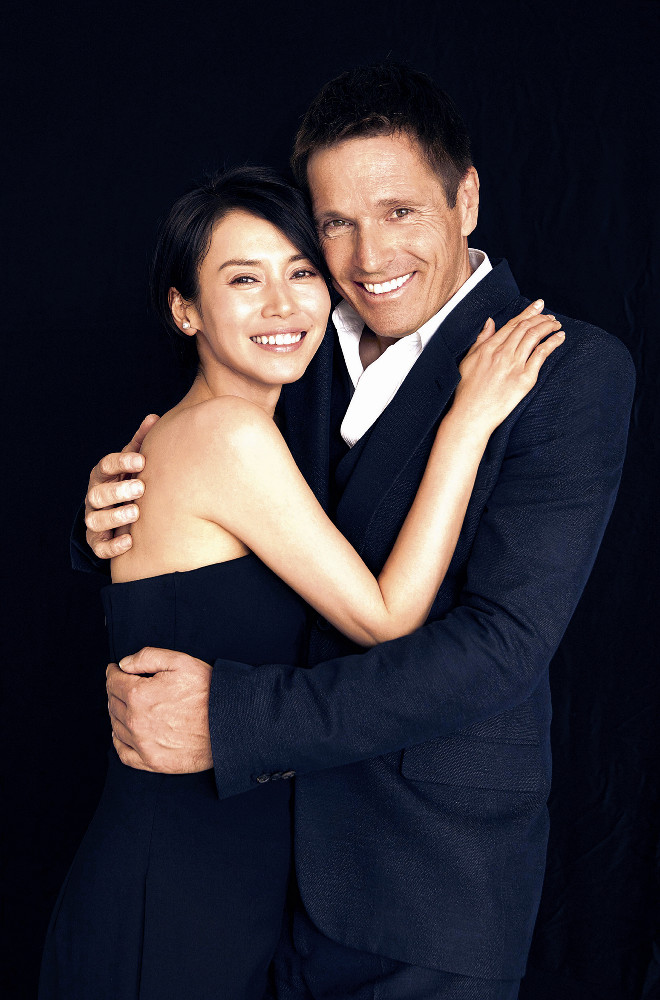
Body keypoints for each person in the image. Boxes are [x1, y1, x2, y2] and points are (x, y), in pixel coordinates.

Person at [76, 65, 635, 1000]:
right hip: (242, 867)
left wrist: (232, 721)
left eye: (399, 212)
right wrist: (110, 512)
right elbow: (219, 511)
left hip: (421, 885)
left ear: (466, 199)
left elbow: (499, 647)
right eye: (335, 222)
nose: (368, 256)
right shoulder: (289, 338)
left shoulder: (567, 371)